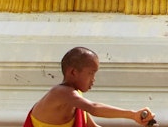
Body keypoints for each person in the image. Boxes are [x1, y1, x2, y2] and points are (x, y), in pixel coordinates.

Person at [25, 47, 155, 127]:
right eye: (91, 73)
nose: (93, 79)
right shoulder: (60, 92)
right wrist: (132, 115)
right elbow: (94, 108)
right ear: (73, 72)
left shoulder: (77, 99)